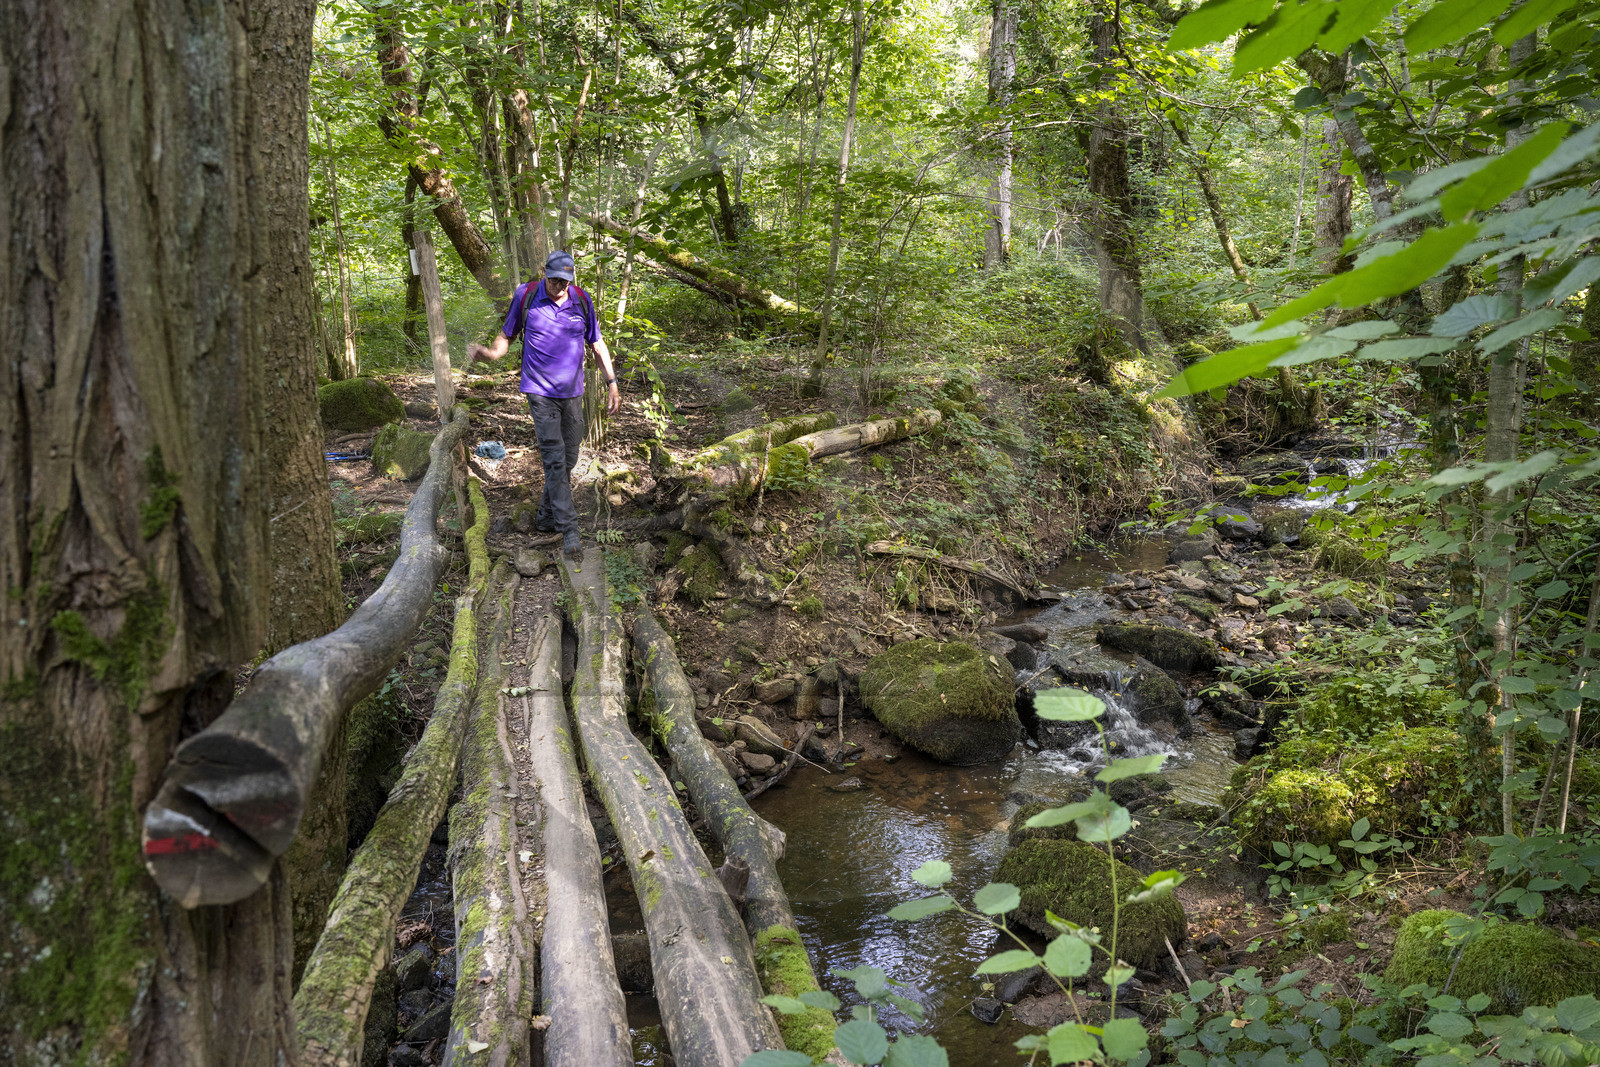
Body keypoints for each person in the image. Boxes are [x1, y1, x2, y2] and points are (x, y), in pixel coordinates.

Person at [469, 250, 620, 565]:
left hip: (573, 393)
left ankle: (546, 516)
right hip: (539, 391)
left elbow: (597, 342)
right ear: (544, 272)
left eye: (565, 281)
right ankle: (570, 531)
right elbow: (506, 336)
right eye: (554, 279)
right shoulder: (526, 295)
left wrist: (612, 382)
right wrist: (491, 355)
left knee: (568, 458)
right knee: (553, 458)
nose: (559, 286)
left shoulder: (581, 299)